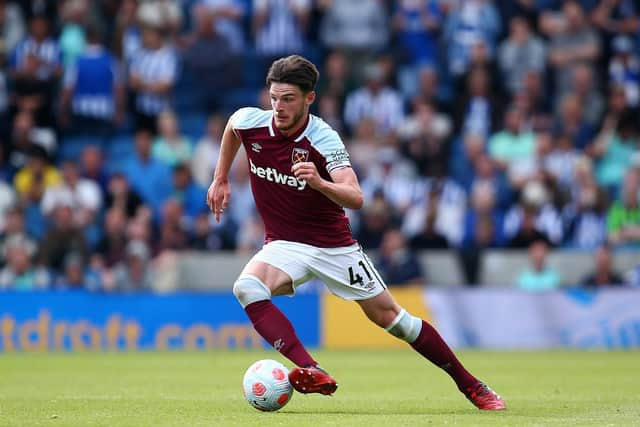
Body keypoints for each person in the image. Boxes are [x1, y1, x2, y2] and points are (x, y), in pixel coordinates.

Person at [206, 55, 505, 410]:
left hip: (334, 247)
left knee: (395, 322)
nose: (278, 107)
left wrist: (319, 182)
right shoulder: (251, 121)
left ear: (309, 99)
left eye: (288, 99)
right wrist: (221, 177)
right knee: (247, 287)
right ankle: (310, 368)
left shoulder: (323, 138)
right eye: (274, 97)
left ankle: (472, 385)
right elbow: (232, 129)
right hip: (284, 244)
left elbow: (356, 197)